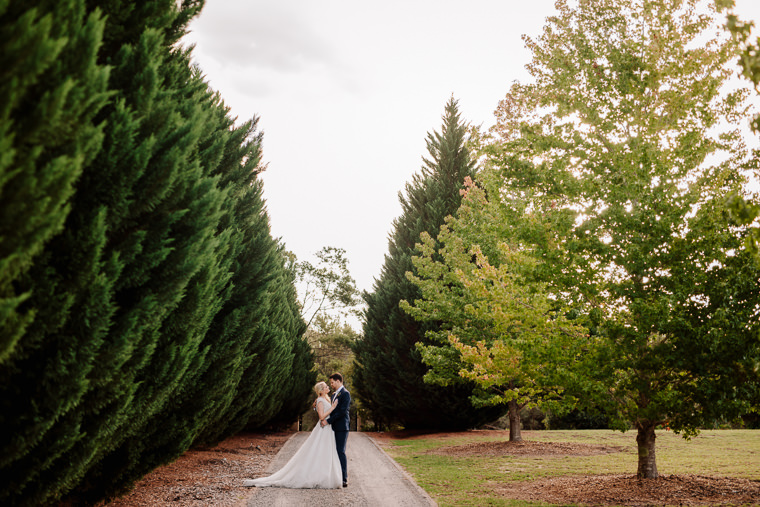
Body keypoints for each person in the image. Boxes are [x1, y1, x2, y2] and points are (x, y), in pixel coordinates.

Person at [242, 381, 342, 488]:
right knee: (318, 450)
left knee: (325, 451)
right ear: (321, 390)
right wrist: (332, 408)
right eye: (326, 386)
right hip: (323, 428)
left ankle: (325, 475)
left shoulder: (325, 399)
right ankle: (318, 476)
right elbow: (321, 416)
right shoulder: (320, 401)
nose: (328, 387)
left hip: (327, 428)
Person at [322, 372, 351, 488]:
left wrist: (328, 421)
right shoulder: (334, 395)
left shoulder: (345, 394)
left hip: (342, 427)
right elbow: (329, 409)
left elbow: (342, 411)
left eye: (332, 382)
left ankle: (344, 478)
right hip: (333, 428)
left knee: (340, 451)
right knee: (333, 452)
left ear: (338, 381)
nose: (331, 385)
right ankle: (335, 476)